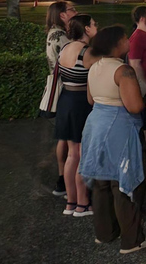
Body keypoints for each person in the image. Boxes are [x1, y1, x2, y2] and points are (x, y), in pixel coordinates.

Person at [81, 25, 146, 254]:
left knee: (101, 183)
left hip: (95, 125)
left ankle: (105, 232)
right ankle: (132, 240)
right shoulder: (123, 71)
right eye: (124, 38)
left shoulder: (93, 67)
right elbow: (135, 106)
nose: (127, 41)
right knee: (123, 183)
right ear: (117, 44)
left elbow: (91, 99)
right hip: (119, 128)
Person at [56, 14, 99, 217]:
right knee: (81, 153)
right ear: (87, 29)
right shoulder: (87, 52)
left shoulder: (65, 48)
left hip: (65, 100)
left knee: (72, 154)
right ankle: (83, 202)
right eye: (93, 24)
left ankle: (71, 201)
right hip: (81, 102)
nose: (96, 26)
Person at [45, 1, 77, 197]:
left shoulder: (56, 33)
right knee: (68, 139)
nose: (76, 11)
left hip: (62, 88)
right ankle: (66, 181)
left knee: (64, 137)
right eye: (72, 9)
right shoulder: (60, 37)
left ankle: (62, 179)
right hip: (67, 89)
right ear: (63, 15)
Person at [128, 6, 146, 167]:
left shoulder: (145, 37)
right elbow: (134, 64)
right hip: (145, 89)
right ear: (141, 19)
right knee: (144, 123)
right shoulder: (138, 37)